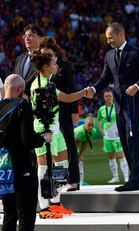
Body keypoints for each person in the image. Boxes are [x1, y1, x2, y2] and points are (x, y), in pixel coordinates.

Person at [88, 22, 139, 191]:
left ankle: (135, 179)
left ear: (120, 34)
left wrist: (137, 86)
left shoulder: (135, 53)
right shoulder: (109, 55)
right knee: (125, 142)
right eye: (107, 38)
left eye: (110, 37)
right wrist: (94, 89)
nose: (108, 41)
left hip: (134, 104)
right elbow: (104, 79)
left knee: (134, 141)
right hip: (119, 105)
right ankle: (138, 179)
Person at [29, 52, 90, 219]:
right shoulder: (38, 85)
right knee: (43, 168)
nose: (57, 66)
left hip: (55, 130)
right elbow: (40, 111)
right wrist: (45, 132)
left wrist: (84, 92)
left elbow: (68, 98)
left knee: (60, 165)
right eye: (55, 64)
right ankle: (43, 208)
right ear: (47, 67)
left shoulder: (49, 84)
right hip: (44, 130)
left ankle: (55, 204)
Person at [0, 74, 50, 231]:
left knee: (9, 213)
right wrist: (43, 138)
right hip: (21, 166)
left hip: (3, 169)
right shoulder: (22, 106)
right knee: (26, 215)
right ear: (20, 89)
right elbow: (27, 140)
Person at [39, 37, 80, 191]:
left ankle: (74, 180)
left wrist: (75, 111)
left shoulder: (66, 67)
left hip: (65, 112)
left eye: (48, 53)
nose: (47, 57)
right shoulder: (42, 71)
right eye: (44, 54)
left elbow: (72, 89)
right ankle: (56, 184)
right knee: (54, 150)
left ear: (55, 53)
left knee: (69, 146)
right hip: (50, 117)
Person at [97, 89, 129, 184]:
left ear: (113, 97)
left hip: (117, 137)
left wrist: (122, 130)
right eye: (106, 96)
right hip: (107, 137)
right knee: (111, 157)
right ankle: (115, 177)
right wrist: (101, 130)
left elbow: (124, 118)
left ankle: (126, 178)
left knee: (121, 156)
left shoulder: (117, 107)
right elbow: (98, 119)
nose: (108, 98)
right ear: (104, 97)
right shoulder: (101, 109)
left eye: (110, 96)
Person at [14, 24, 44, 97]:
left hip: (37, 103)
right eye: (25, 36)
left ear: (40, 39)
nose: (27, 38)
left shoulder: (44, 57)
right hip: (19, 104)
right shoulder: (19, 59)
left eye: (31, 35)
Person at [74, 114, 97, 185]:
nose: (90, 127)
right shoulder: (80, 132)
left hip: (76, 146)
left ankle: (80, 182)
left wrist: (80, 154)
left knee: (80, 161)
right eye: (89, 125)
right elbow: (75, 145)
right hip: (69, 145)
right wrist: (77, 155)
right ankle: (74, 182)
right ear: (84, 124)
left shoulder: (93, 131)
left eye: (92, 125)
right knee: (75, 162)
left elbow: (85, 143)